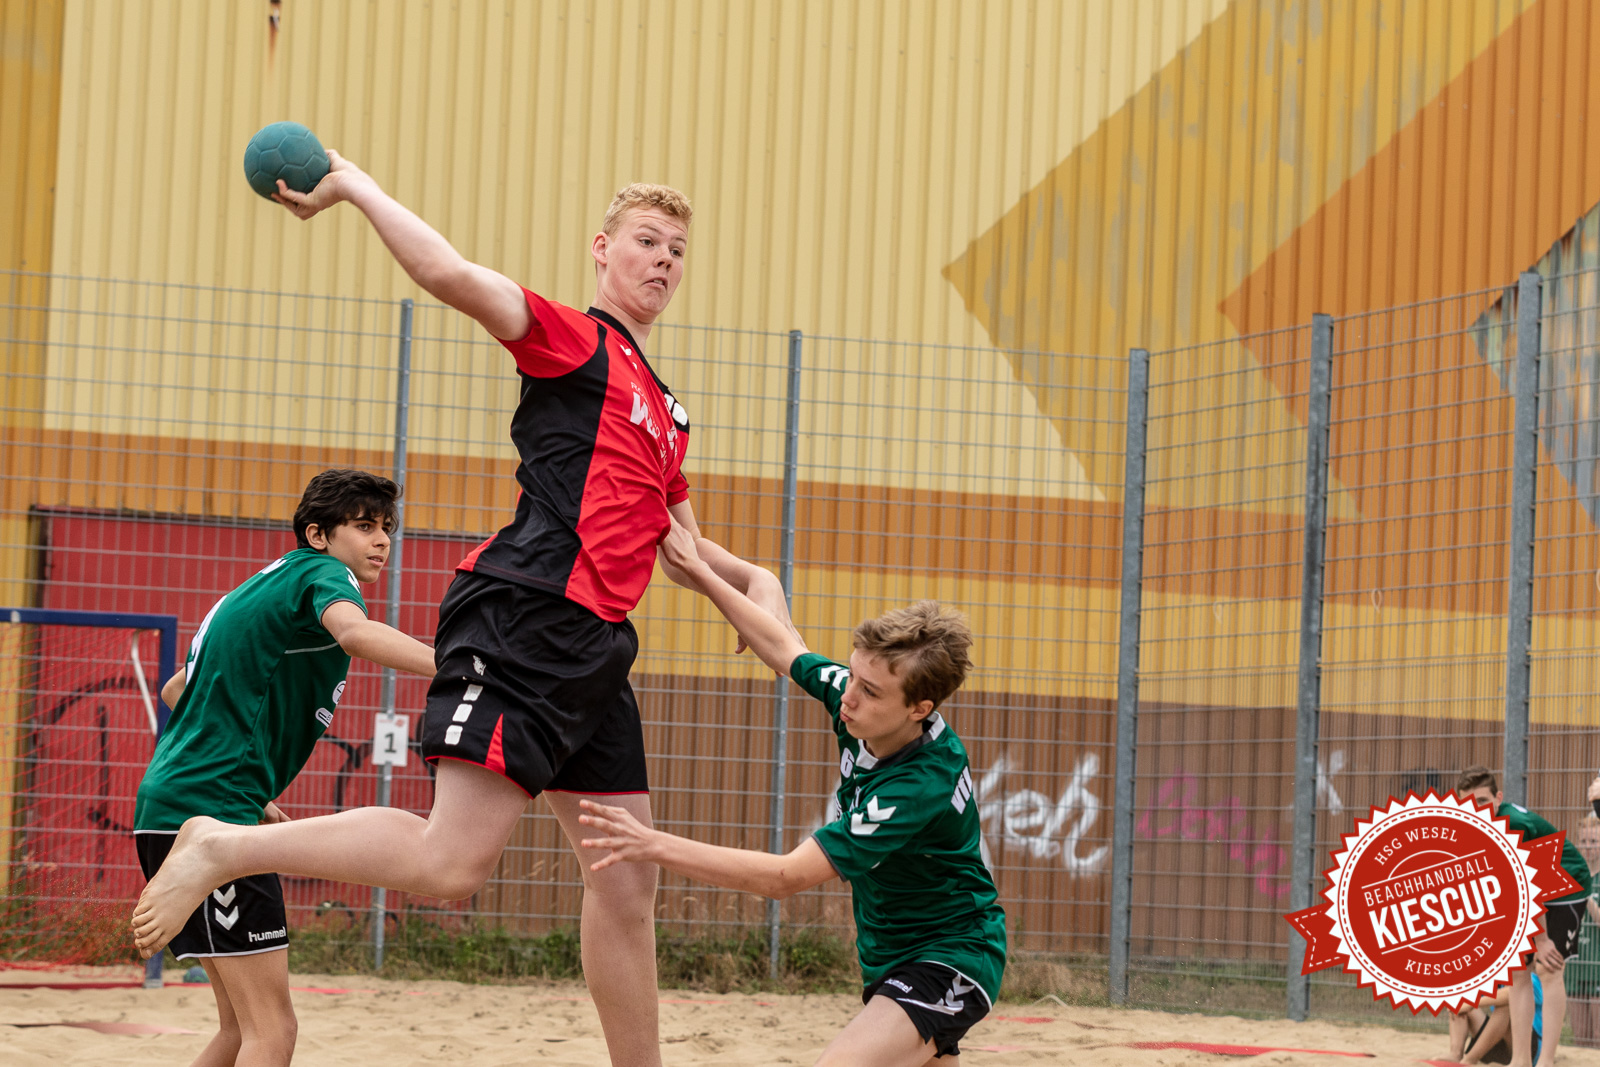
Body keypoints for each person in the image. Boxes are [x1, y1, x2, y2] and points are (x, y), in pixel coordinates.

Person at [133, 153, 793, 1067]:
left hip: (599, 643)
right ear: (603, 249)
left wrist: (753, 577)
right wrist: (352, 182)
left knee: (625, 875)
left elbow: (680, 547)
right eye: (647, 241)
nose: (664, 259)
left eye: (677, 249)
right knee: (451, 863)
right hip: (528, 611)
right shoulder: (575, 341)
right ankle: (224, 845)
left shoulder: (668, 413)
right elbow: (447, 273)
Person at [577, 522, 1005, 1066]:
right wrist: (704, 574)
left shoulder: (916, 785)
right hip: (891, 957)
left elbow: (784, 878)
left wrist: (651, 843)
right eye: (853, 676)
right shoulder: (862, 705)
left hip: (952, 959)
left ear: (920, 709)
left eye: (870, 692)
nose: (849, 697)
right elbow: (784, 647)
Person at [133, 468, 437, 1067]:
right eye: (364, 526)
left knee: (240, 1030)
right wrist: (459, 668)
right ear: (319, 535)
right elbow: (355, 635)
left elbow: (177, 689)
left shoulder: (261, 588)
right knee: (272, 1032)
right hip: (211, 815)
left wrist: (254, 785)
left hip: (178, 800)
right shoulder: (324, 574)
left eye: (387, 528)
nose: (381, 540)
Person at [1453, 766, 1594, 1067]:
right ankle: (1520, 1060)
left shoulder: (1512, 824)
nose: (1475, 809)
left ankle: (1545, 1061)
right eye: (1467, 803)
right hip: (1536, 887)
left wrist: (1541, 940)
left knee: (1548, 967)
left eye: (1482, 801)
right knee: (1518, 972)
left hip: (1567, 885)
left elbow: (1532, 884)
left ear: (1498, 798)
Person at [1449, 976, 1544, 1065]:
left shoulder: (1527, 977)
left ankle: (1470, 1059)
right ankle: (1455, 1053)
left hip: (1529, 1046)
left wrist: (1471, 1003)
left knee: (1506, 1004)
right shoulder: (1492, 982)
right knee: (1459, 1001)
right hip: (1497, 1045)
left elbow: (1511, 993)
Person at [1571, 800, 1600, 1046]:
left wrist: (1586, 896)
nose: (1588, 846)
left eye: (1594, 841)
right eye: (1584, 841)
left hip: (1597, 965)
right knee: (1580, 1037)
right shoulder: (1574, 874)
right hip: (1575, 965)